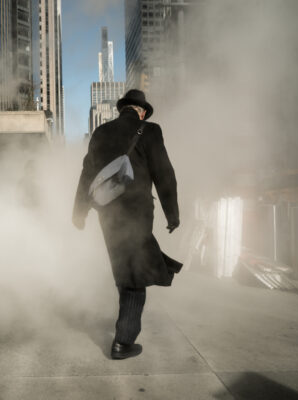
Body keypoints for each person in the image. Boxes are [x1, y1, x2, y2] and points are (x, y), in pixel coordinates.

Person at [73, 89, 182, 360]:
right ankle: (123, 342)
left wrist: (79, 211)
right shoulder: (150, 130)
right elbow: (164, 174)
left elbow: (87, 174)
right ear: (141, 110)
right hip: (137, 212)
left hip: (107, 213)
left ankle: (126, 330)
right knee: (135, 274)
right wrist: (172, 214)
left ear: (123, 108)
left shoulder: (100, 132)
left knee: (126, 267)